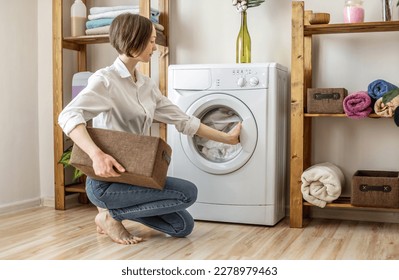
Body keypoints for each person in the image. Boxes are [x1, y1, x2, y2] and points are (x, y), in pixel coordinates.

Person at [58, 13, 241, 245]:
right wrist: (97, 155)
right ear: (134, 39)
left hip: (137, 176)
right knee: (188, 192)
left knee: (182, 226)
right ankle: (108, 214)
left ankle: (114, 214)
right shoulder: (105, 80)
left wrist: (228, 139)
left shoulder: (146, 85)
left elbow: (184, 120)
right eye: (151, 41)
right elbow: (68, 115)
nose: (155, 47)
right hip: (107, 182)